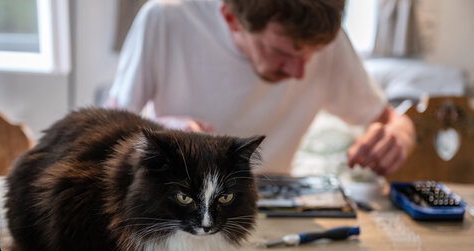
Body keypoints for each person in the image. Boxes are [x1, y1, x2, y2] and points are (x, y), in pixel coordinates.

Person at [105, 0, 415, 175]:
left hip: (279, 208)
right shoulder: (165, 19)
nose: (299, 71)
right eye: (282, 52)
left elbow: (391, 119)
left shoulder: (331, 44)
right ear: (230, 18)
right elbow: (107, 136)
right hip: (182, 213)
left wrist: (402, 134)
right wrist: (162, 132)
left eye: (312, 53)